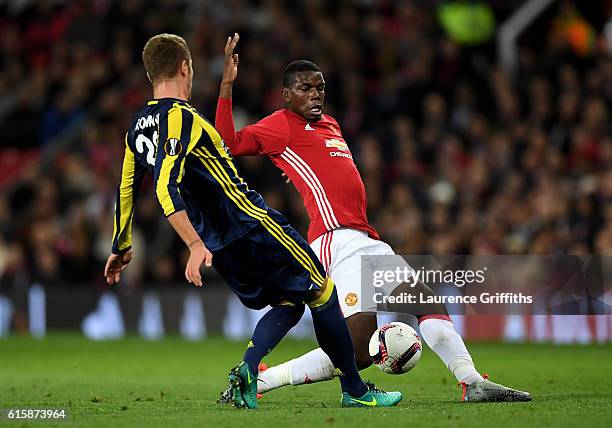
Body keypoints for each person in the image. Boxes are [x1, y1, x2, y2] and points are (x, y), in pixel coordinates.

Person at [215, 34, 531, 402]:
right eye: (305, 88)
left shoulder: (330, 124)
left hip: (367, 240)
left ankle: (472, 381)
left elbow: (323, 168)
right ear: (287, 95)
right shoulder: (280, 124)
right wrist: (226, 85)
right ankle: (264, 381)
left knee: (427, 302)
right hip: (337, 241)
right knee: (359, 350)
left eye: (320, 88)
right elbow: (229, 142)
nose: (316, 94)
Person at [103, 33, 402, 409]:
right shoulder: (182, 118)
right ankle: (355, 391)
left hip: (221, 244)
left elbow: (127, 187)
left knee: (289, 302)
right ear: (185, 68)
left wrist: (121, 245)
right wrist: (192, 244)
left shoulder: (137, 126)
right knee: (323, 292)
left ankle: (247, 370)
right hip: (253, 224)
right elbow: (165, 184)